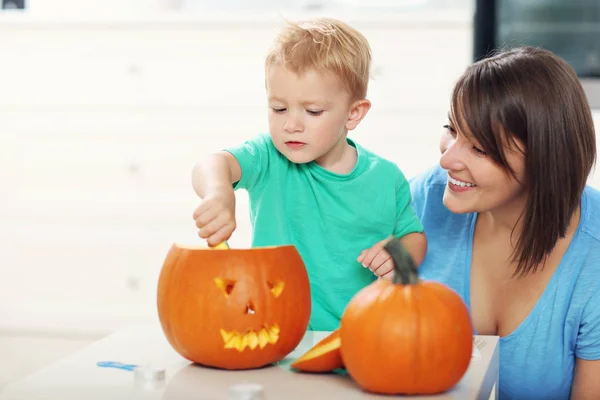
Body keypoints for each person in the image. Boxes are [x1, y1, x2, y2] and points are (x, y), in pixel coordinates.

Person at [191, 17, 427, 331]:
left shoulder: (385, 178)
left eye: (312, 111)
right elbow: (212, 164)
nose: (292, 124)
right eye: (279, 108)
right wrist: (219, 193)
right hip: (272, 336)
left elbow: (414, 237)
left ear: (353, 113)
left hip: (361, 342)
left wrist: (397, 255)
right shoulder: (268, 157)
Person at [409, 46, 600, 399]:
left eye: (479, 149)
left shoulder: (594, 257)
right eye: (451, 129)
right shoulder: (423, 200)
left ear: (545, 159)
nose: (447, 159)